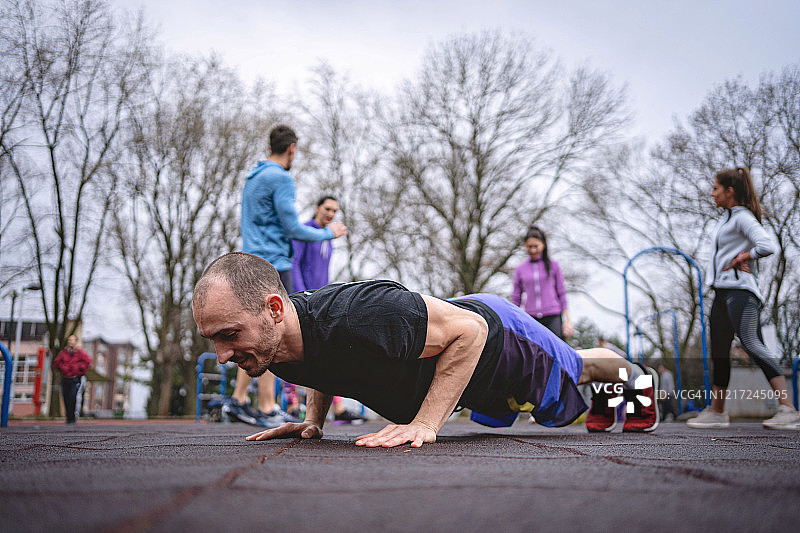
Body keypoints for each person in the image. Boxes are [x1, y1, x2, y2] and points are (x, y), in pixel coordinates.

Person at [192, 252, 660, 449]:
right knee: (551, 400)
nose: (223, 355)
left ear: (274, 308)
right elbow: (321, 362)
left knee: (577, 367)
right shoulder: (280, 343)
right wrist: (314, 420)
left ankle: (637, 378)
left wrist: (426, 423)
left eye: (229, 335)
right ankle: (610, 391)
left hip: (497, 336)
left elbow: (471, 331)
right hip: (471, 377)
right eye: (212, 340)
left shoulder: (364, 313)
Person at [225, 125, 348, 428]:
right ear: (291, 148)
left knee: (259, 332)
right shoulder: (280, 177)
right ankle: (262, 406)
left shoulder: (253, 177)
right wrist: (326, 233)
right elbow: (293, 229)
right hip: (274, 264)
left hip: (251, 260)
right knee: (275, 334)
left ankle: (245, 401)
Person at [688, 166, 799, 430]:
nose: (712, 194)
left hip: (742, 292)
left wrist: (744, 257)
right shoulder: (724, 219)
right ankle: (717, 413)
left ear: (730, 191)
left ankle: (789, 409)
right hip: (721, 291)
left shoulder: (742, 217)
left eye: (716, 189)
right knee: (719, 352)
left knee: (751, 342)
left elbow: (767, 245)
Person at [291, 195, 366, 424]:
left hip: (320, 299)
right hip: (303, 300)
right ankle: (294, 405)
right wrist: (301, 295)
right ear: (317, 208)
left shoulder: (328, 238)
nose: (331, 214)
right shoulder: (305, 231)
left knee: (326, 349)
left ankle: (338, 407)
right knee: (296, 349)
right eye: (327, 208)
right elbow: (295, 263)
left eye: (335, 210)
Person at [511, 226, 573, 340]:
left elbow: (562, 293)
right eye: (529, 247)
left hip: (553, 315)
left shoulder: (553, 266)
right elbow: (516, 298)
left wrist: (567, 321)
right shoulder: (520, 269)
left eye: (536, 246)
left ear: (543, 245)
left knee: (556, 352)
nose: (533, 250)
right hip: (531, 317)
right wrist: (512, 320)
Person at [53, 335, 91, 424]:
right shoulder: (64, 353)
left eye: (72, 340)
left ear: (76, 342)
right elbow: (57, 363)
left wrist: (79, 368)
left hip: (75, 378)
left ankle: (72, 418)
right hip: (65, 378)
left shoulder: (80, 352)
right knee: (65, 397)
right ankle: (68, 417)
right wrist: (63, 368)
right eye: (69, 340)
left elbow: (87, 361)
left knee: (72, 396)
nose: (70, 342)